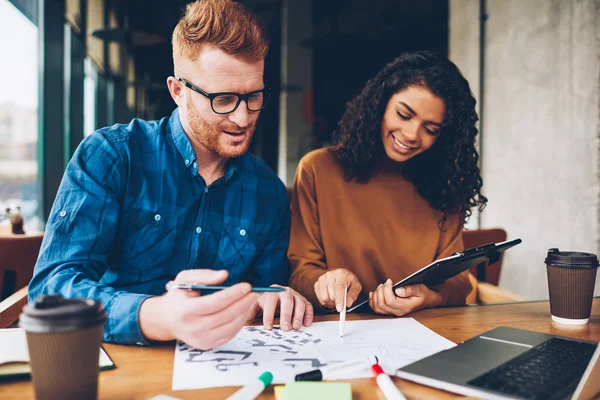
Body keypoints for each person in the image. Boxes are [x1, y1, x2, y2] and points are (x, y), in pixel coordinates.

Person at [29, 0, 312, 350]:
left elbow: (265, 292)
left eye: (253, 95)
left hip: (225, 367)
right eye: (223, 100)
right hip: (119, 365)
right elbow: (51, 289)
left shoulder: (269, 191)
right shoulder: (113, 156)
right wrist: (159, 316)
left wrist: (269, 297)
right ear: (178, 91)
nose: (242, 118)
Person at [288, 51, 487, 316]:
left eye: (430, 129)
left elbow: (458, 282)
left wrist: (430, 297)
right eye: (404, 115)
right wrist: (324, 282)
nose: (411, 135)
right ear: (380, 105)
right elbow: (300, 273)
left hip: (419, 333)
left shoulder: (445, 184)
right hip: (339, 331)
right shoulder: (318, 169)